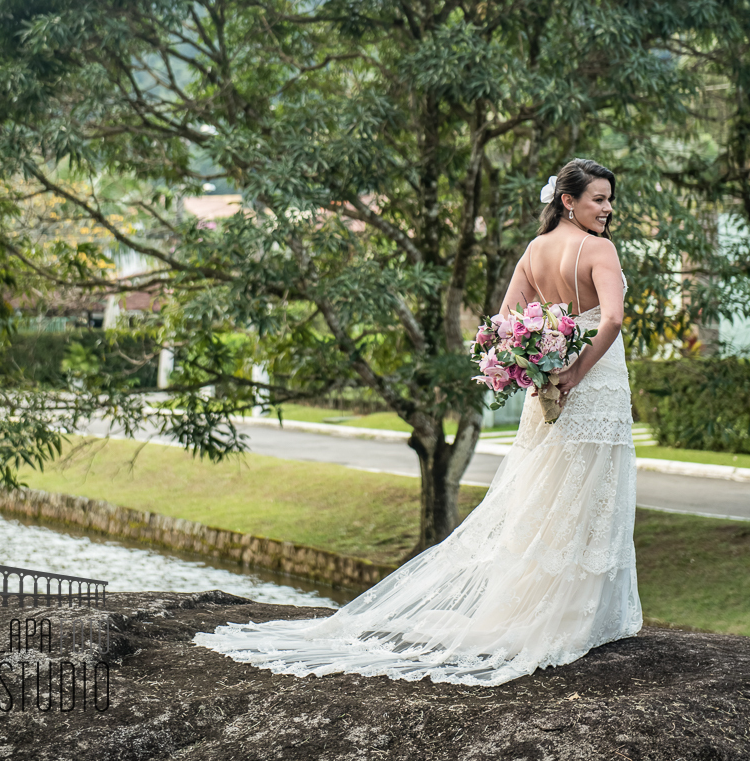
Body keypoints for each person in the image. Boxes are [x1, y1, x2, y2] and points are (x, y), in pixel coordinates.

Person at [194, 158, 642, 686]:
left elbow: (503, 324)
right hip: (592, 386)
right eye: (599, 199)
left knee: (542, 494)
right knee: (588, 494)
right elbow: (610, 318)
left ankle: (538, 609)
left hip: (548, 390)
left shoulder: (534, 250)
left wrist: (535, 365)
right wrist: (575, 370)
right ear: (569, 201)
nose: (608, 210)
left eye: (610, 200)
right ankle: (571, 616)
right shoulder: (599, 249)